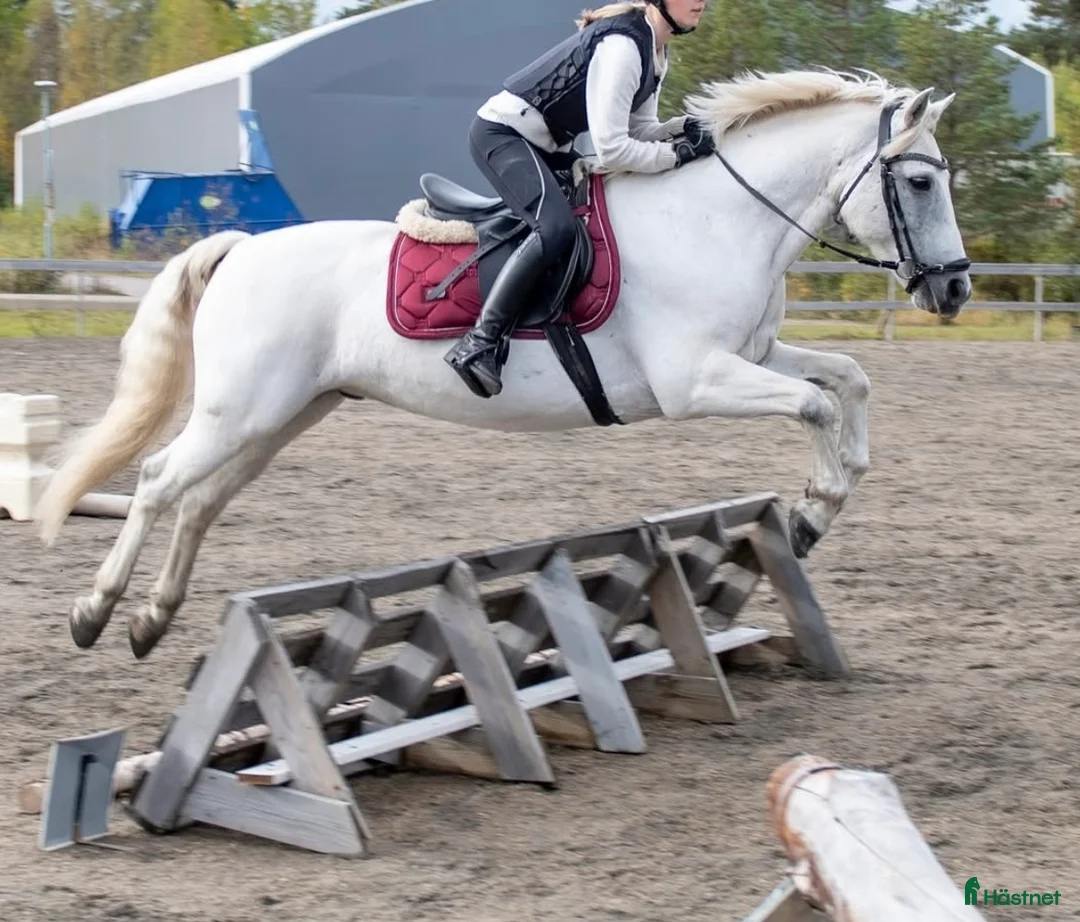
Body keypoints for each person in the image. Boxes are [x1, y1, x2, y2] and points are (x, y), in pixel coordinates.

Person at [443, 0, 716, 399]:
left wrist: (681, 129)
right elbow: (613, 150)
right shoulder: (624, 45)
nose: (702, 2)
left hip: (546, 145)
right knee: (554, 229)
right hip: (503, 135)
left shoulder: (655, 50)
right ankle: (480, 342)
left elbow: (637, 130)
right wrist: (676, 155)